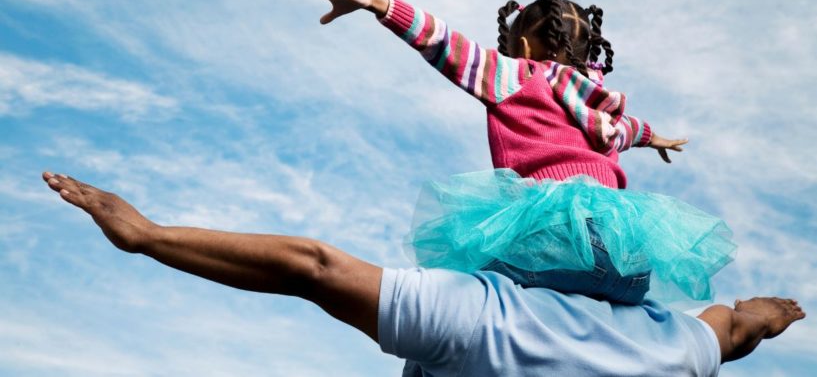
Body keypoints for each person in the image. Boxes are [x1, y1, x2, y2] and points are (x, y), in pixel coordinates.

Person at [41, 172, 804, 376]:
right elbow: (733, 327)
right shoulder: (670, 343)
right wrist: (773, 311)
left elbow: (311, 266)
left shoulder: (486, 313)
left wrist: (147, 236)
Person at [303, 0, 736, 306]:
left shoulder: (520, 76)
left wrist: (379, 3)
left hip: (554, 238)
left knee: (455, 303)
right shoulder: (601, 105)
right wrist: (656, 138)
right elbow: (631, 130)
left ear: (524, 48)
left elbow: (443, 43)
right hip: (627, 253)